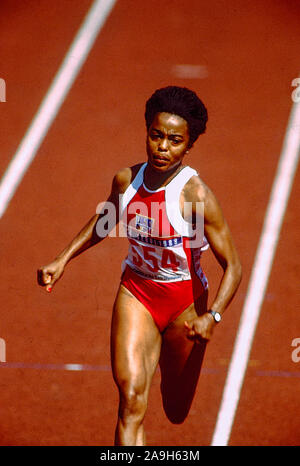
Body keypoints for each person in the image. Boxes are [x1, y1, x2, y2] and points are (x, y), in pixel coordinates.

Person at [37, 86, 242, 446]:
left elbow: (234, 267)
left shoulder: (196, 196)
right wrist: (62, 258)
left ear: (188, 145)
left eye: (175, 141)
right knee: (131, 397)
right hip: (137, 293)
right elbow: (103, 221)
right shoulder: (125, 181)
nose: (163, 147)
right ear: (147, 131)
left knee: (176, 410)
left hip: (185, 304)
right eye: (156, 135)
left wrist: (214, 317)